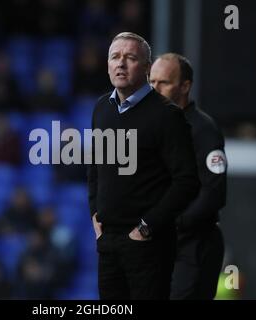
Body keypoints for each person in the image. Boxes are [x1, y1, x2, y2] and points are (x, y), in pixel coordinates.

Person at [87, 32, 200, 300]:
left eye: (130, 58)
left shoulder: (168, 115)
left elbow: (187, 182)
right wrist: (95, 213)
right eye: (115, 57)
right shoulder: (101, 108)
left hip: (148, 245)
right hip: (108, 241)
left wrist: (146, 227)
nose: (121, 64)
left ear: (147, 67)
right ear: (107, 65)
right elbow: (94, 167)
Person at [150, 53, 227, 300]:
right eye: (151, 82)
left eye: (163, 83)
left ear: (185, 86)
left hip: (194, 245)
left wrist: (172, 222)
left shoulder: (204, 130)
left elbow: (214, 194)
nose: (154, 89)